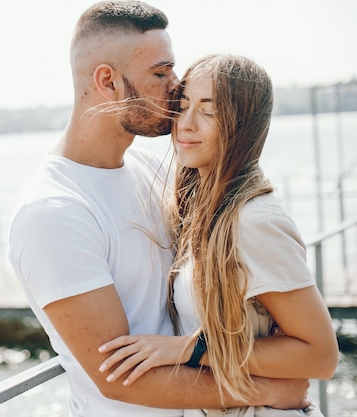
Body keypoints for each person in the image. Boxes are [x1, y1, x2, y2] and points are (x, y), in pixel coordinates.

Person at [8, 2, 311, 416]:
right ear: (107, 81)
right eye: (160, 72)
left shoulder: (152, 170)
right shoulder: (54, 212)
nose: (176, 85)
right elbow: (117, 378)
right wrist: (265, 391)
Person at [96, 54, 339, 416]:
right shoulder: (201, 212)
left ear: (243, 125)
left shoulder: (254, 222)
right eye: (183, 105)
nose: (185, 125)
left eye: (209, 111)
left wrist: (187, 349)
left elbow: (320, 356)